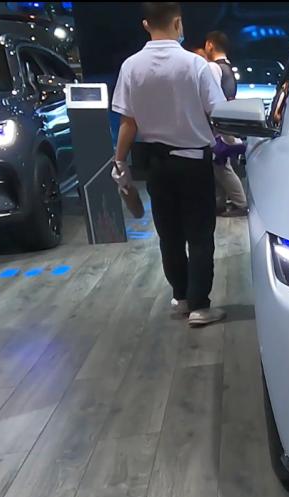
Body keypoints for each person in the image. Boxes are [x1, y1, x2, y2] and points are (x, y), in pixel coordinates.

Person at [111, 2, 227, 327]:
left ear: (146, 24)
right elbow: (218, 111)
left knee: (169, 235)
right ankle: (200, 306)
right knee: (200, 236)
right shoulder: (195, 64)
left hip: (156, 164)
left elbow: (128, 122)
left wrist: (119, 161)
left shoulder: (131, 67)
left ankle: (181, 297)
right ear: (178, 23)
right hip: (193, 162)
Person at [203, 30, 248, 217]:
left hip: (217, 126)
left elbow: (212, 99)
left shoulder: (214, 68)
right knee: (220, 166)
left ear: (210, 45)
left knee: (221, 167)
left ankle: (240, 203)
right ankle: (221, 203)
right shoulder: (228, 67)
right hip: (226, 123)